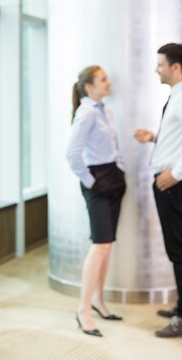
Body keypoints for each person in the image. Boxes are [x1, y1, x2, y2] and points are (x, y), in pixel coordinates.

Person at [134, 43, 182, 338]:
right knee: (179, 247)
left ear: (175, 67)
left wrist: (175, 175)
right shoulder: (180, 96)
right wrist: (155, 137)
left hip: (172, 186)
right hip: (170, 183)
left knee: (179, 249)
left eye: (160, 64)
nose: (157, 69)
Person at [66, 65, 126, 338]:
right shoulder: (87, 112)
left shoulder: (106, 111)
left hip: (114, 177)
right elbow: (72, 153)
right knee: (99, 246)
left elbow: (112, 146)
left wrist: (120, 170)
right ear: (89, 86)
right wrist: (92, 183)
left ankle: (98, 300)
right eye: (103, 78)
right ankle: (83, 310)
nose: (108, 81)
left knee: (108, 245)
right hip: (99, 182)